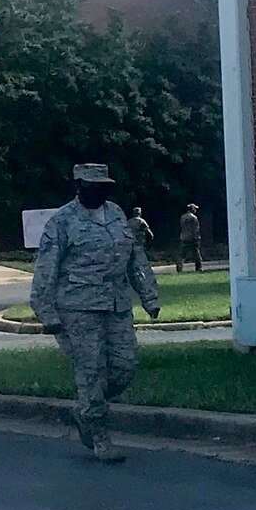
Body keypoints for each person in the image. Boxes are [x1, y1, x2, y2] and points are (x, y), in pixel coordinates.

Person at [30, 162, 160, 464]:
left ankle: (86, 411)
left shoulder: (116, 215)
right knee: (91, 371)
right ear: (79, 187)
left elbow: (135, 257)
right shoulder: (61, 222)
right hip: (78, 307)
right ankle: (99, 435)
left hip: (115, 304)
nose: (99, 191)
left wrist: (149, 296)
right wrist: (45, 312)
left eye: (104, 186)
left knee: (125, 367)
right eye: (92, 186)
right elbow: (46, 270)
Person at [177, 202, 204, 272]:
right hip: (192, 238)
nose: (196, 210)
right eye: (195, 208)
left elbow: (181, 227)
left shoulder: (182, 217)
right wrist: (197, 238)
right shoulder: (194, 218)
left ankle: (179, 268)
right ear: (192, 209)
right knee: (196, 254)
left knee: (182, 255)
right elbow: (196, 229)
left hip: (184, 238)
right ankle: (199, 268)